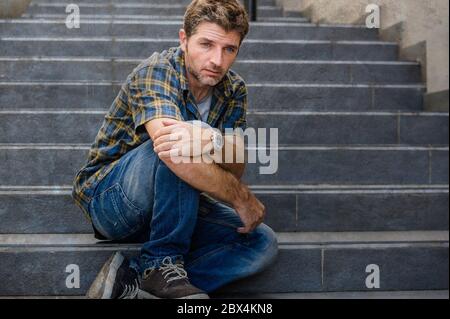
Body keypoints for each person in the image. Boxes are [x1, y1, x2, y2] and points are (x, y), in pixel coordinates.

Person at [72, 0, 278, 299]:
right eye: (206, 44)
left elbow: (235, 165)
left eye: (229, 49)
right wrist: (239, 196)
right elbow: (172, 151)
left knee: (261, 243)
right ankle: (160, 264)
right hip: (113, 201)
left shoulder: (233, 88)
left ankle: (133, 285)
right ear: (184, 39)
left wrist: (213, 141)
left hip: (177, 208)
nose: (217, 60)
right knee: (177, 144)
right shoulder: (156, 71)